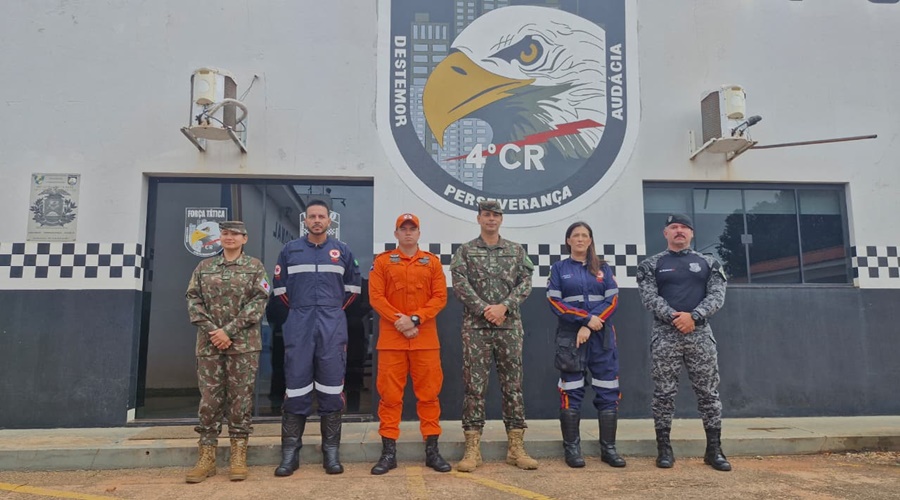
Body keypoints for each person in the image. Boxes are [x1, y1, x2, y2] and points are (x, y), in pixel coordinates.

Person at [270, 200, 362, 477]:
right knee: (296, 383)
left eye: (322, 216)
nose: (317, 220)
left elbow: (353, 290)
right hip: (299, 320)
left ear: (329, 220)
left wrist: (330, 310)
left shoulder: (343, 251)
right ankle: (290, 453)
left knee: (332, 384)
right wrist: (303, 309)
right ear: (305, 220)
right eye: (312, 216)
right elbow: (280, 289)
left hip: (332, 322)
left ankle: (330, 453)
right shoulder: (290, 250)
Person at [636, 213, 732, 472]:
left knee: (708, 393)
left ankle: (714, 450)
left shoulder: (708, 263)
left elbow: (717, 295)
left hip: (700, 335)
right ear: (665, 233)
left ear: (692, 234)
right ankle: (664, 449)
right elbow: (649, 298)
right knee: (664, 394)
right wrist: (675, 318)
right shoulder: (650, 265)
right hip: (665, 336)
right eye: (674, 227)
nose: (679, 231)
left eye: (684, 228)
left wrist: (695, 317)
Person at [450, 199, 538, 472]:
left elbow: (526, 283)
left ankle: (516, 447)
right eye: (486, 215)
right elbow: (460, 285)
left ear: (501, 219)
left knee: (513, 386)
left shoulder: (515, 250)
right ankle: (473, 449)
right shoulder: (465, 251)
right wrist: (485, 310)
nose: (491, 219)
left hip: (509, 327)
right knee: (474, 388)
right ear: (479, 219)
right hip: (476, 328)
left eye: (495, 215)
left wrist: (505, 307)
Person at [184, 221, 270, 483]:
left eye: (234, 234)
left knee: (240, 399)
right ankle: (206, 457)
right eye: (225, 233)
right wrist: (214, 331)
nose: (229, 237)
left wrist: (229, 331)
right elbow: (192, 299)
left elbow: (259, 302)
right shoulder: (204, 267)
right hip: (210, 345)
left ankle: (238, 454)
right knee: (209, 400)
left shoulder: (254, 267)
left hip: (243, 346)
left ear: (245, 238)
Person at [367, 213, 451, 475]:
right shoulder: (382, 262)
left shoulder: (432, 263)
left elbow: (440, 297)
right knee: (390, 397)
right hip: (392, 341)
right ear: (395, 234)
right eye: (402, 229)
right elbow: (376, 297)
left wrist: (415, 319)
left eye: (412, 229)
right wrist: (400, 321)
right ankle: (388, 453)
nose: (407, 233)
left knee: (429, 395)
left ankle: (432, 451)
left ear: (418, 233)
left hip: (425, 341)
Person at [546, 221, 626, 468]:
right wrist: (585, 319)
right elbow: (554, 302)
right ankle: (572, 450)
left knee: (608, 391)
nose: (580, 239)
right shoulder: (559, 268)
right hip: (570, 340)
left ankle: (609, 450)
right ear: (568, 240)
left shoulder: (603, 268)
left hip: (601, 339)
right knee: (571, 392)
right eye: (575, 235)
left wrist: (591, 323)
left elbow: (612, 301)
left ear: (591, 240)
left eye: (585, 235)